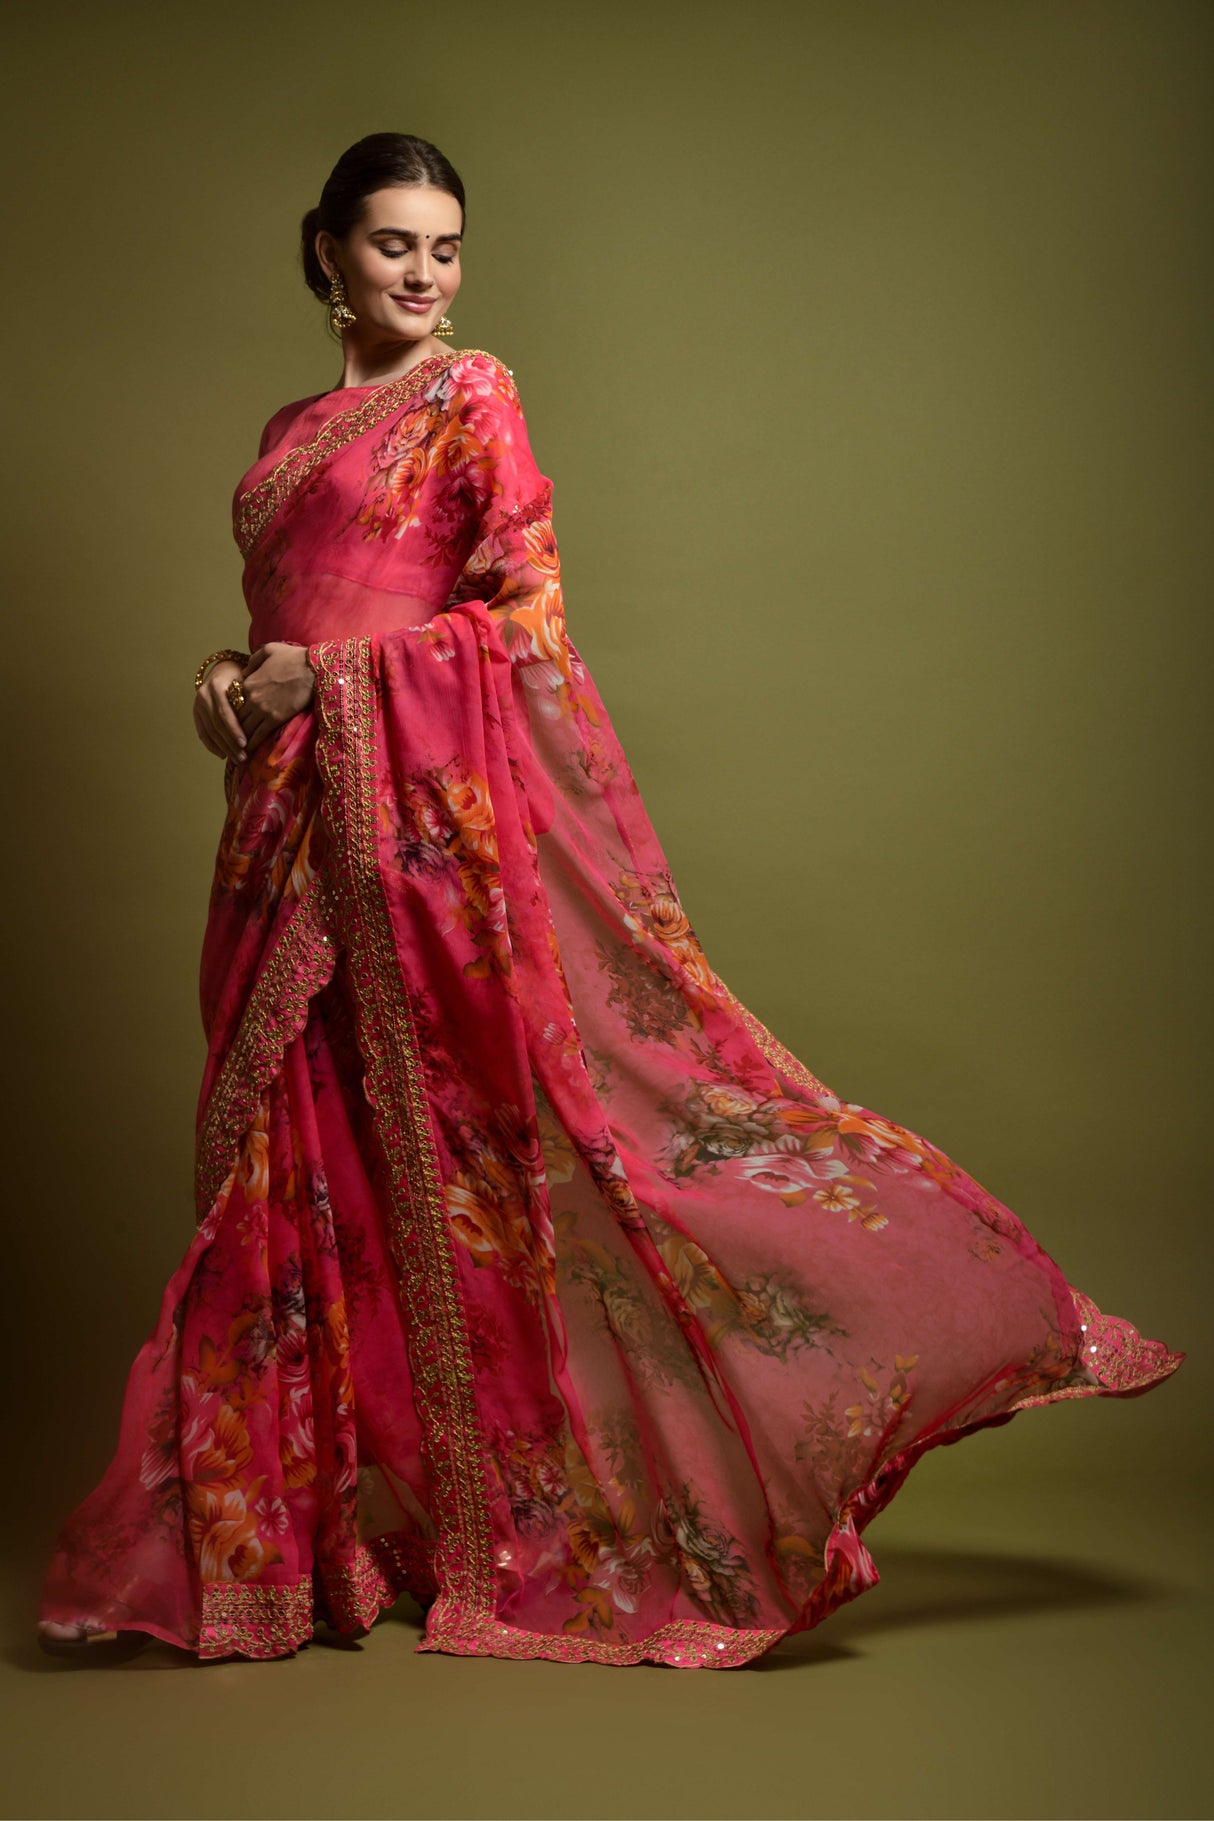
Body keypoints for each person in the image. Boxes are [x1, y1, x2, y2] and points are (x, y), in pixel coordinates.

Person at [37, 132, 1185, 1668]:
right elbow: (281, 629)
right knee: (292, 1168)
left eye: (445, 246)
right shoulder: (291, 428)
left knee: (521, 1150)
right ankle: (296, 1544)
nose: (423, 272)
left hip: (414, 845)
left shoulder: (471, 398)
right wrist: (230, 686)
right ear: (326, 252)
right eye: (392, 244)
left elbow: (521, 626)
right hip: (281, 832)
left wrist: (337, 681)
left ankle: (584, 1494)